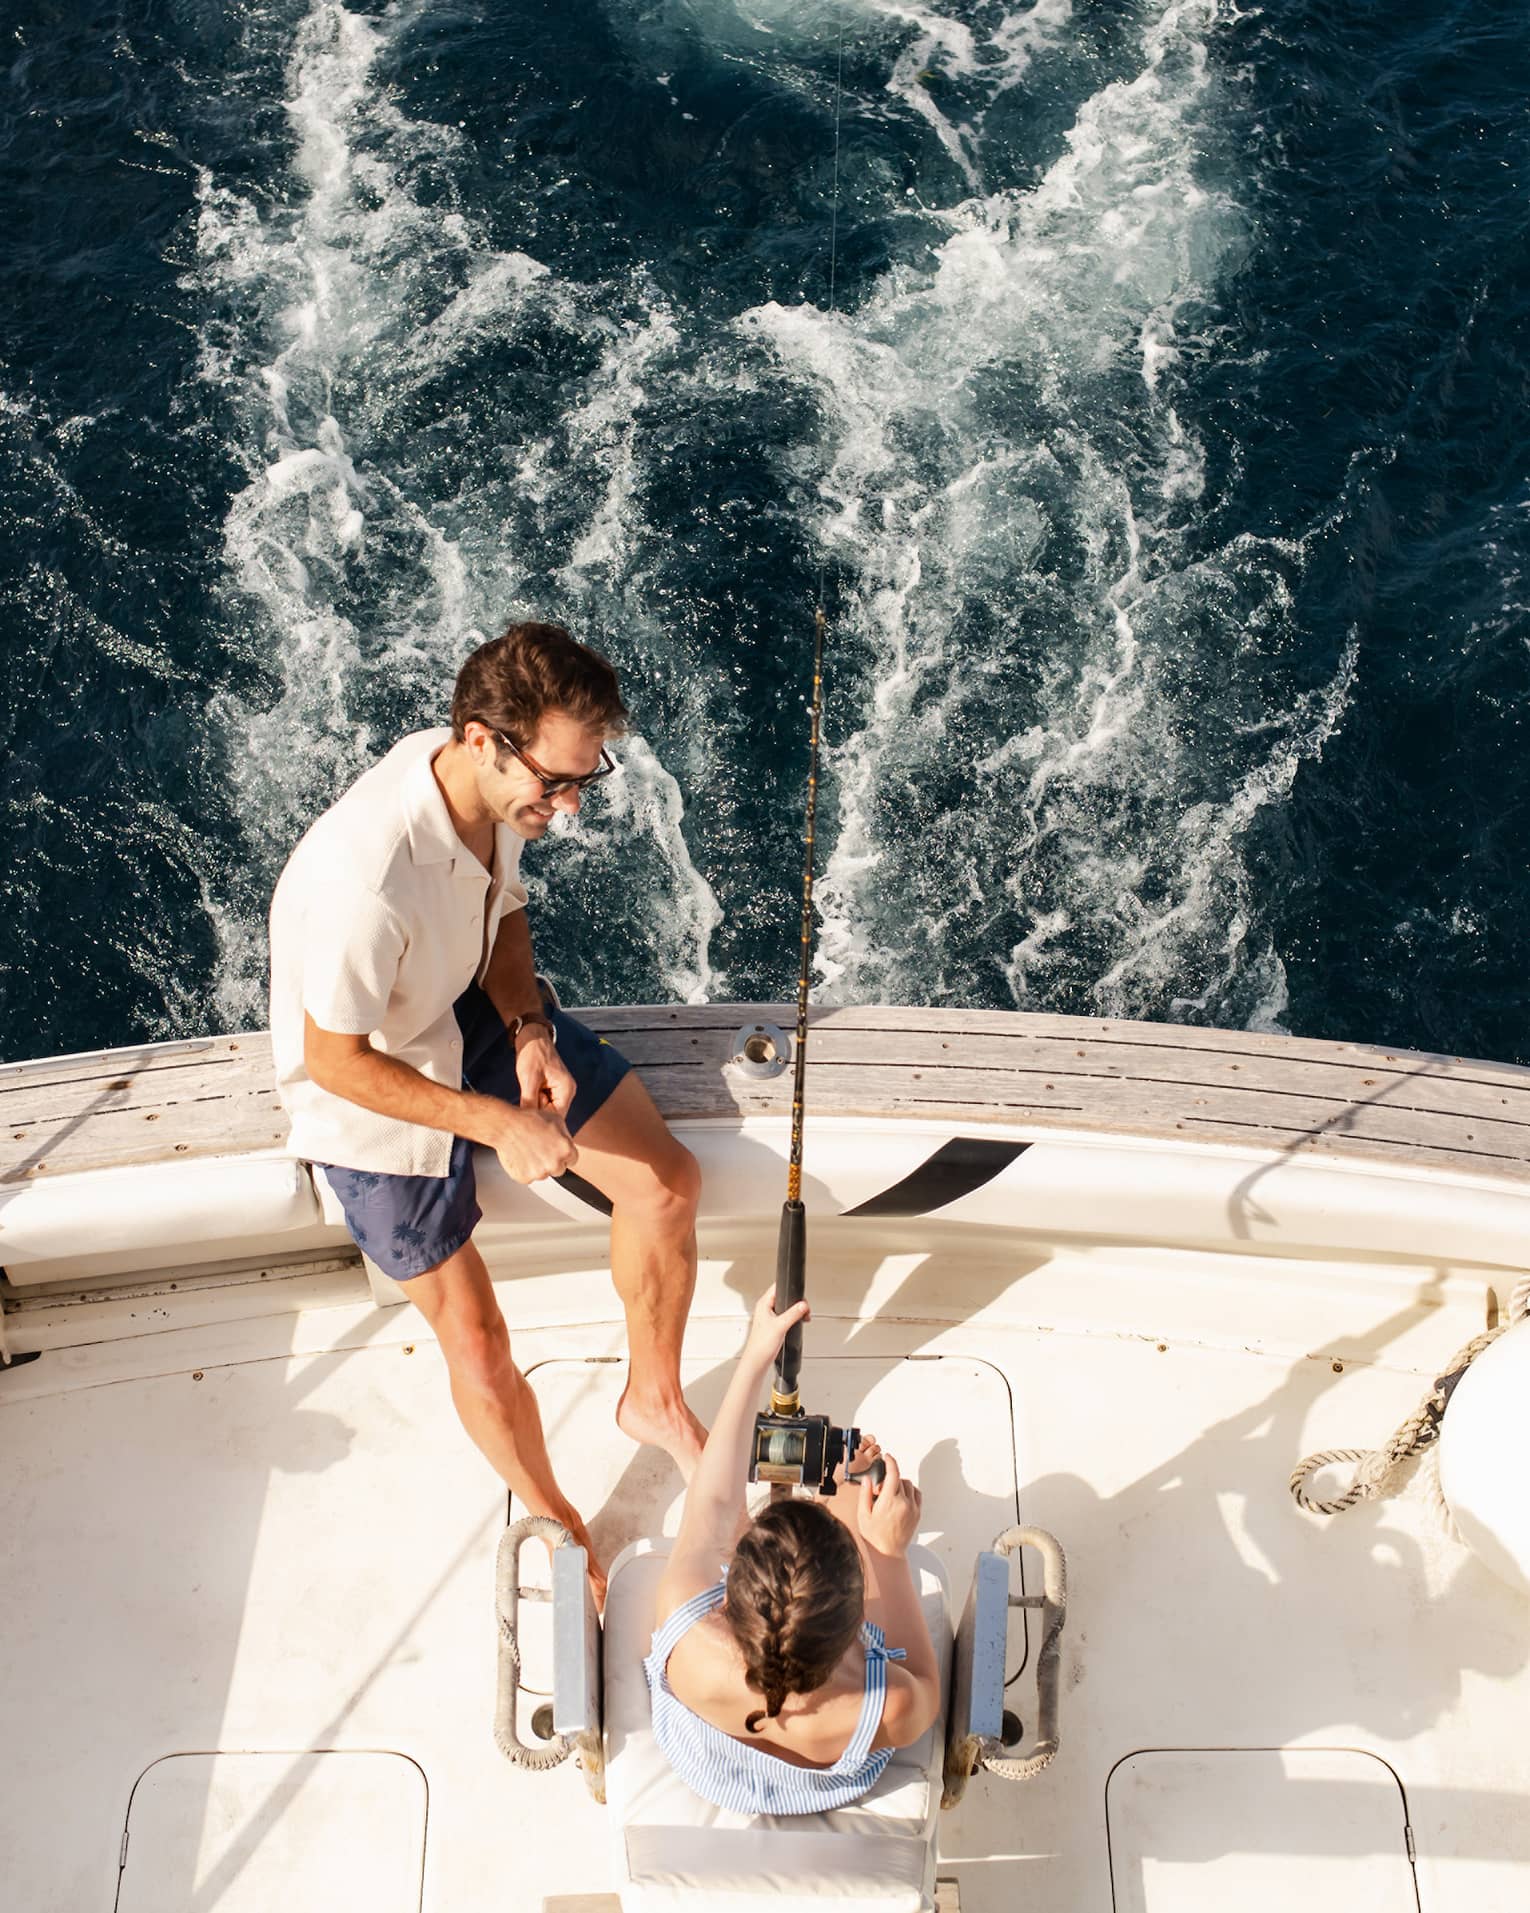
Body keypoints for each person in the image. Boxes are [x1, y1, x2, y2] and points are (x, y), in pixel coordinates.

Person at [268, 621, 707, 1594]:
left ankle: (654, 1398)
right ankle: (559, 1520)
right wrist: (499, 1121)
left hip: (457, 1003)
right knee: (475, 1335)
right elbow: (328, 1058)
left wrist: (527, 1032)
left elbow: (501, 912)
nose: (566, 805)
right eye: (554, 783)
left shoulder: (495, 797)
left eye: (583, 782)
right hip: (368, 1083)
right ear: (482, 737)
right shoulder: (365, 878)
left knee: (668, 1185)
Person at [645, 1291, 943, 1814]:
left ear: (730, 1590)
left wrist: (756, 1353)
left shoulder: (686, 1623)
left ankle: (824, 1512)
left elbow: (713, 1499)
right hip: (819, 1781)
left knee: (734, 1513)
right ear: (855, 1625)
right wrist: (888, 1553)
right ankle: (848, 1502)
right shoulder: (885, 1705)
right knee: (859, 1497)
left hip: (705, 1763)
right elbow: (926, 1684)